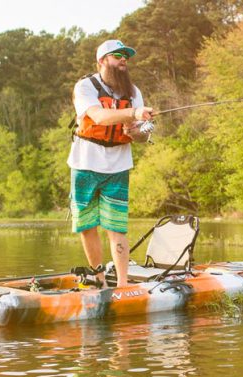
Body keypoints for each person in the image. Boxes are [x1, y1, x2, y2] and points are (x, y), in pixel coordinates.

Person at [68, 39, 153, 288]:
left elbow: (142, 136)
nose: (123, 59)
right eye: (117, 55)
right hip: (85, 162)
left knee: (116, 226)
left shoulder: (134, 92)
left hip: (118, 165)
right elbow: (99, 116)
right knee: (87, 224)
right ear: (102, 61)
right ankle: (99, 279)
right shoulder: (85, 86)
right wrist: (133, 114)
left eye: (126, 55)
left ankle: (123, 284)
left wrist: (136, 129)